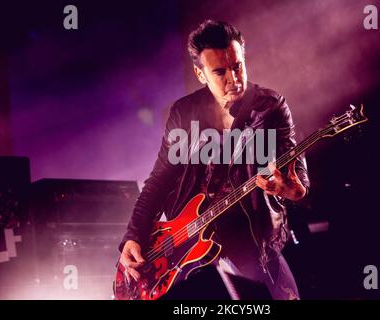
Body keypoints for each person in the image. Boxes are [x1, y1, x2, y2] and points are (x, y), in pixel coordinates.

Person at [118, 20, 310, 300]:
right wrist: (134, 235)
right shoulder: (184, 113)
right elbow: (160, 180)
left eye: (238, 66)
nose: (233, 78)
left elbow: (297, 175)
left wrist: (294, 190)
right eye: (220, 72)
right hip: (189, 243)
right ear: (200, 74)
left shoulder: (270, 107)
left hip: (251, 241)